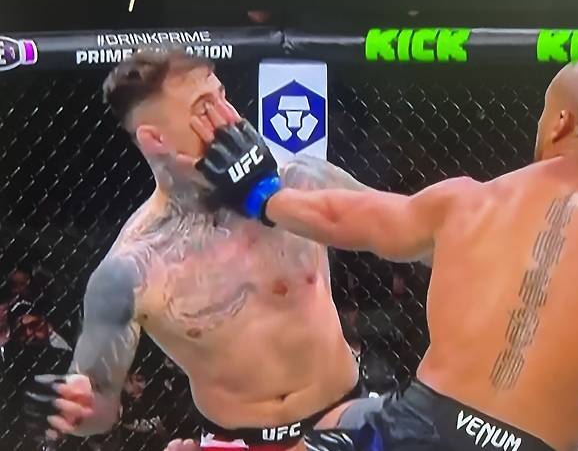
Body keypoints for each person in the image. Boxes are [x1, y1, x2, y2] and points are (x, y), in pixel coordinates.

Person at [192, 52, 578, 451]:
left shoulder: (472, 200)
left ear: (561, 121)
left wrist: (261, 195)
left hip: (422, 425)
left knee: (340, 423)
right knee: (348, 414)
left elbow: (346, 218)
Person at [24, 49, 375, 451]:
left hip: (344, 420)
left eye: (223, 96)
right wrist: (69, 409)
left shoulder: (299, 185)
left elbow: (412, 230)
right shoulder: (130, 271)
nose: (231, 118)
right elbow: (100, 410)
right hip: (236, 442)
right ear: (156, 139)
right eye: (205, 108)